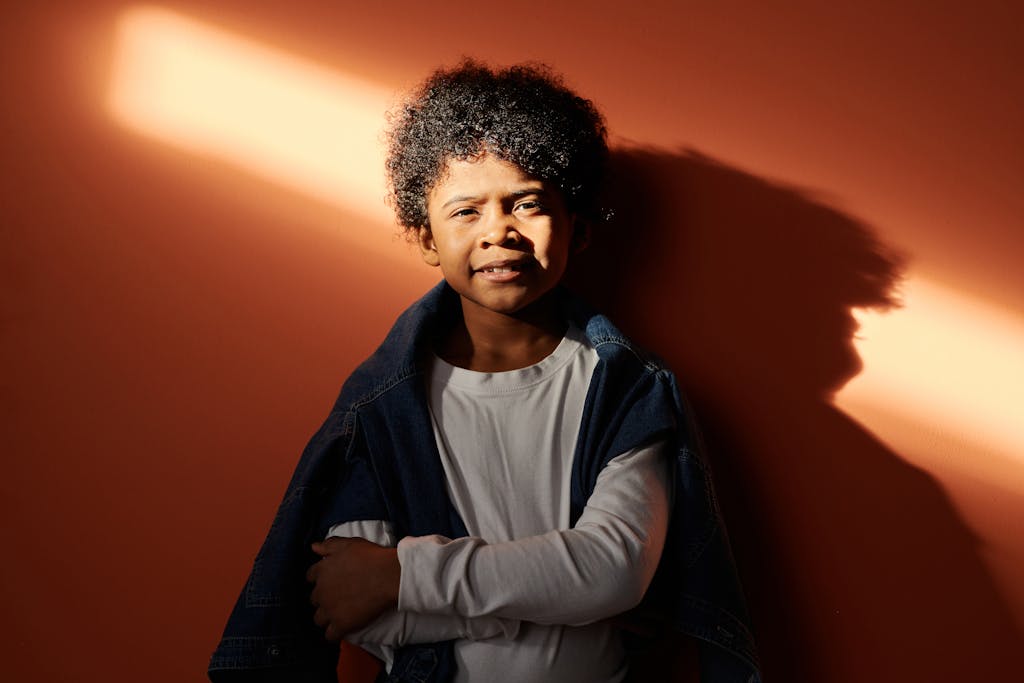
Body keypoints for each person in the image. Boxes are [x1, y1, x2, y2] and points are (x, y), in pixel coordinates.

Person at [208, 61, 759, 683]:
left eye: (527, 204)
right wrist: (568, 607)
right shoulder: (383, 406)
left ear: (577, 229)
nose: (500, 231)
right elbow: (351, 603)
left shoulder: (623, 388)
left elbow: (614, 570)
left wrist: (405, 577)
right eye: (466, 211)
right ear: (426, 239)